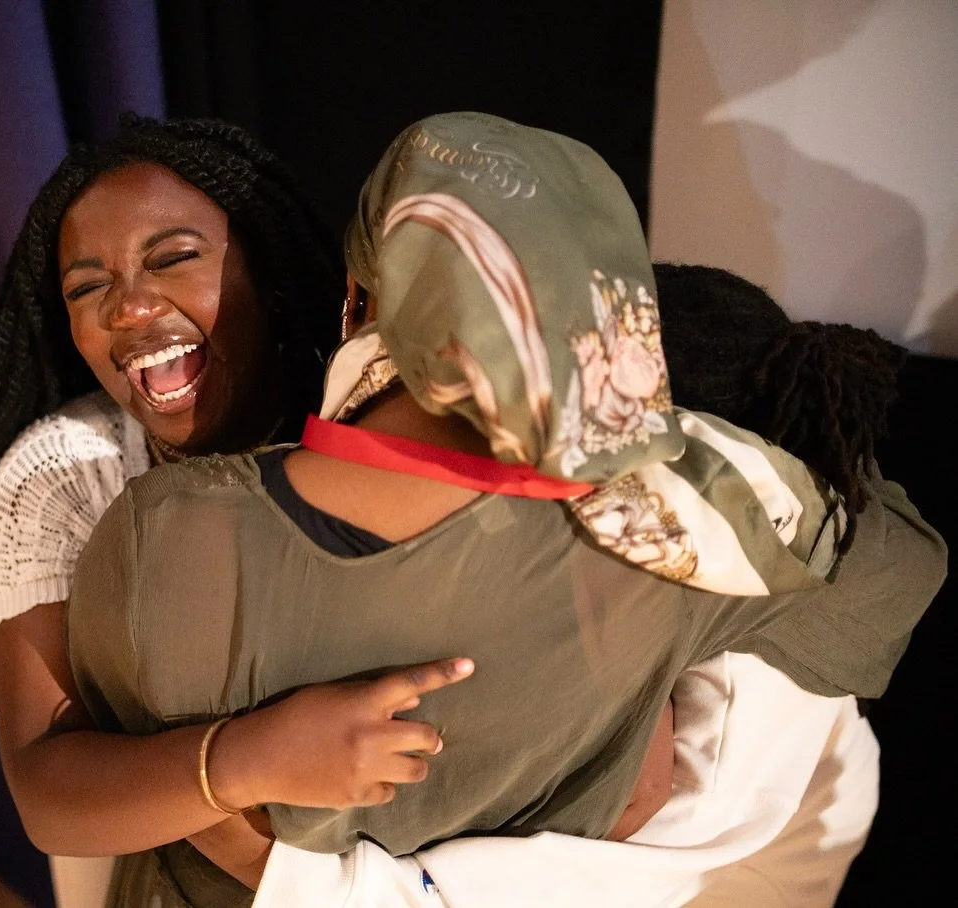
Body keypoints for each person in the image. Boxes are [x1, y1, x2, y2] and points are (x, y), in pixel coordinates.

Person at [65, 112, 945, 907]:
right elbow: (899, 570)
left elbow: (71, 790)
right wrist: (666, 446)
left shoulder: (162, 536)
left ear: (359, 302)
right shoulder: (685, 542)